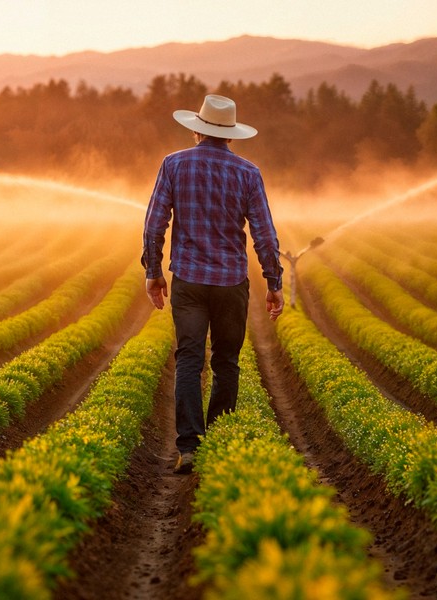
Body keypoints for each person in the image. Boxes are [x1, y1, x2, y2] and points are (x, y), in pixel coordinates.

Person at [142, 94, 284, 474]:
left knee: (189, 359)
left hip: (188, 280)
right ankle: (219, 443)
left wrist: (153, 272)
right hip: (230, 283)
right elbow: (265, 236)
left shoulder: (173, 165)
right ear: (232, 136)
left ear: (196, 129)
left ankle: (189, 447)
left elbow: (155, 225)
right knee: (226, 362)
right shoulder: (248, 173)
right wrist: (274, 281)